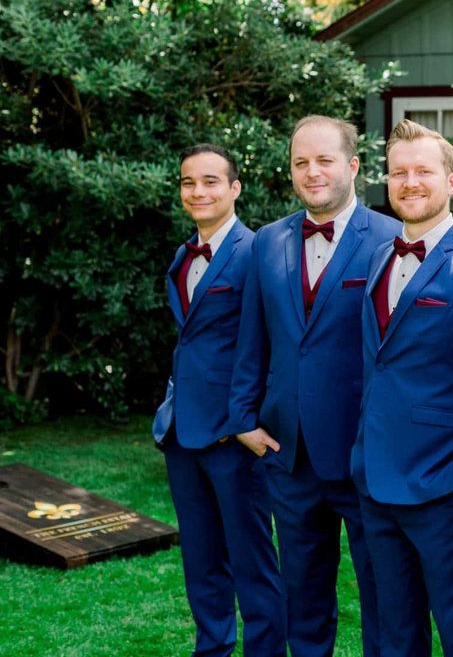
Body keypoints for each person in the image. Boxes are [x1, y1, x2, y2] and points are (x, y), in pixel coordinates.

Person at [229, 115, 403, 657]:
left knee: (384, 595)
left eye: (324, 160)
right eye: (301, 162)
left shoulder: (392, 238)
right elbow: (253, 336)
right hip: (290, 451)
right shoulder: (268, 242)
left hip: (365, 454)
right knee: (302, 595)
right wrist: (243, 419)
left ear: (352, 166)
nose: (312, 172)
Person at [351, 120, 453, 657]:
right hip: (375, 481)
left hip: (447, 489)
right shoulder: (378, 256)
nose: (410, 182)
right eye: (399, 172)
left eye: (423, 171)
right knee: (392, 634)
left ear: (452, 181)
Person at [154, 144, 286, 657]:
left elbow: (273, 342)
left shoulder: (257, 253)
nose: (198, 191)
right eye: (189, 182)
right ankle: (212, 648)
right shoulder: (185, 253)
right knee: (202, 559)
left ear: (234, 189)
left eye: (211, 181)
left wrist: (246, 419)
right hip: (183, 433)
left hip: (235, 436)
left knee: (252, 561)